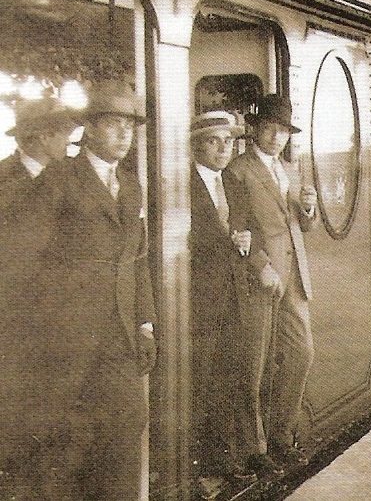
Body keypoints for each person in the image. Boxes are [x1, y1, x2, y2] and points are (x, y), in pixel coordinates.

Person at [0, 79, 157, 500]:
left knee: (126, 427)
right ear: (88, 129)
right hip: (64, 339)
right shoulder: (59, 178)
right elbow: (18, 260)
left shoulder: (130, 185)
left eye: (130, 125)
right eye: (113, 124)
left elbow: (136, 261)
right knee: (64, 445)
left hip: (120, 337)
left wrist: (145, 324)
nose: (124, 134)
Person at [223, 94, 317, 478]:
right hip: (258, 279)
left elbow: (302, 227)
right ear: (256, 129)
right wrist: (260, 265)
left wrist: (308, 209)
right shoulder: (238, 172)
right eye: (271, 129)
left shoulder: (289, 170)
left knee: (301, 353)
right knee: (255, 366)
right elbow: (236, 229)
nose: (277, 137)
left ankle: (279, 435)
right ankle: (254, 449)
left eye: (284, 131)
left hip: (293, 275)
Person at [188, 110, 256, 494]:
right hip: (198, 301)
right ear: (197, 144)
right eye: (214, 141)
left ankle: (224, 461)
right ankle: (195, 469)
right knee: (199, 383)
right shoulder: (181, 184)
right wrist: (225, 242)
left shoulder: (232, 182)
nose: (222, 148)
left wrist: (245, 241)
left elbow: (248, 231)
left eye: (228, 141)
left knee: (228, 381)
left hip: (233, 298)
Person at [0, 95, 78, 213]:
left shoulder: (68, 173)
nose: (68, 142)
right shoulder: (4, 176)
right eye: (64, 134)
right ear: (44, 138)